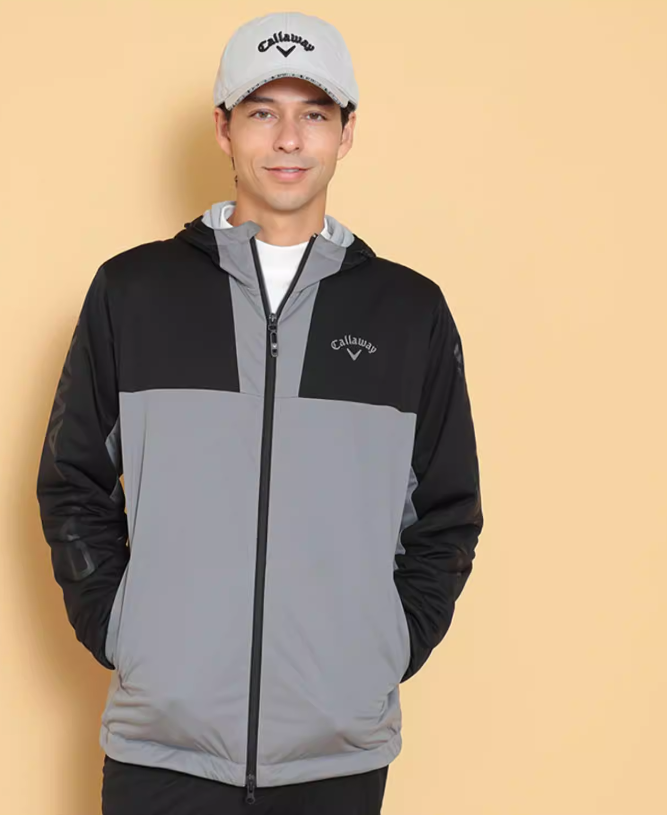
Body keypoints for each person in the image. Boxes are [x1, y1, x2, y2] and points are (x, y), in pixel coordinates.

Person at [35, 11, 484, 815]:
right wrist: (122, 629)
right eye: (262, 112)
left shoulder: (407, 312)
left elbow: (449, 510)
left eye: (314, 113)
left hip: (335, 757)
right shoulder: (134, 294)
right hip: (161, 748)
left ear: (346, 133)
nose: (288, 139)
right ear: (224, 128)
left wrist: (382, 649)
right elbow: (72, 481)